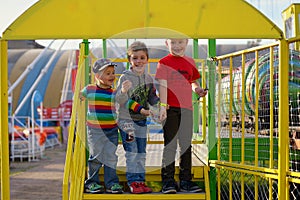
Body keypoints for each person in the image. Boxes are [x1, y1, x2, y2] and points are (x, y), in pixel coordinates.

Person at [155, 38, 208, 194]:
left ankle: (186, 181)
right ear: (167, 44)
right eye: (173, 43)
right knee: (170, 144)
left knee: (186, 145)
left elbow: (193, 81)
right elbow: (162, 86)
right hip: (170, 108)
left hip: (187, 108)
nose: (177, 46)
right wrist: (163, 107)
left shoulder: (190, 61)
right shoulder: (163, 62)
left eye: (180, 43)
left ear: (186, 43)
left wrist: (197, 90)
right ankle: (168, 182)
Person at [115, 41, 160, 194]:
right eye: (135, 58)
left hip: (141, 121)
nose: (138, 61)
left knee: (141, 151)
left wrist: (159, 106)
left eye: (142, 58)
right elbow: (120, 99)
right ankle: (133, 181)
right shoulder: (125, 77)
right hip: (126, 120)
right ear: (130, 60)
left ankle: (141, 181)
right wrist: (122, 91)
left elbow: (152, 97)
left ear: (147, 59)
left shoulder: (148, 78)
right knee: (132, 151)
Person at [80, 58, 123, 194]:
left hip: (111, 129)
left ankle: (112, 184)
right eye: (108, 73)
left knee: (111, 157)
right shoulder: (90, 89)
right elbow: (79, 96)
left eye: (113, 73)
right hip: (95, 130)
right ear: (97, 76)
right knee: (96, 157)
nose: (112, 76)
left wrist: (141, 109)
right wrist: (79, 97)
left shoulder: (114, 92)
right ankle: (91, 183)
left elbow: (125, 102)